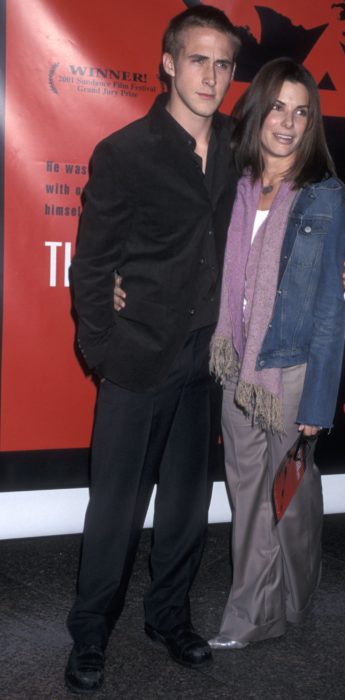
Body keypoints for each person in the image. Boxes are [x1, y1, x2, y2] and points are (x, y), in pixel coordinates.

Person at [65, 6, 241, 694]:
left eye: (223, 63)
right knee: (114, 508)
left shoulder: (237, 143)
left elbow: (288, 200)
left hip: (205, 359)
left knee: (187, 508)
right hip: (136, 361)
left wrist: (329, 252)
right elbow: (91, 266)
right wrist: (103, 351)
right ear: (168, 63)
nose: (211, 75)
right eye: (198, 59)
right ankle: (88, 633)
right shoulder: (125, 152)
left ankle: (168, 617)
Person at [207, 57, 345, 649]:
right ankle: (254, 615)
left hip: (291, 371)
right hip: (237, 369)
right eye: (278, 107)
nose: (288, 123)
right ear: (259, 109)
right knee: (249, 498)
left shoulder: (326, 198)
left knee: (289, 495)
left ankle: (298, 584)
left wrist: (319, 398)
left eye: (302, 111)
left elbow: (327, 307)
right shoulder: (233, 185)